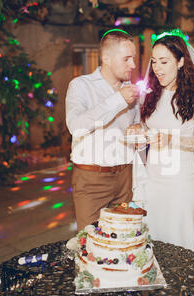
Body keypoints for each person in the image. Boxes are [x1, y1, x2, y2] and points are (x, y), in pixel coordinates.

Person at [127, 30, 194, 252]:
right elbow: (148, 127)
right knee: (153, 237)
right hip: (153, 176)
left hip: (179, 179)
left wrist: (171, 139)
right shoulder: (152, 94)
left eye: (164, 61)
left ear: (180, 62)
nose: (157, 68)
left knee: (178, 238)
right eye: (154, 61)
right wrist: (137, 130)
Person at [65, 29, 141, 231]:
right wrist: (118, 100)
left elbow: (138, 125)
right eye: (126, 59)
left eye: (133, 58)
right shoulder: (81, 86)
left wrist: (139, 129)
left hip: (125, 177)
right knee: (91, 245)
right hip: (92, 180)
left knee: (123, 239)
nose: (133, 65)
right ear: (106, 58)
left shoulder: (131, 90)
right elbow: (76, 127)